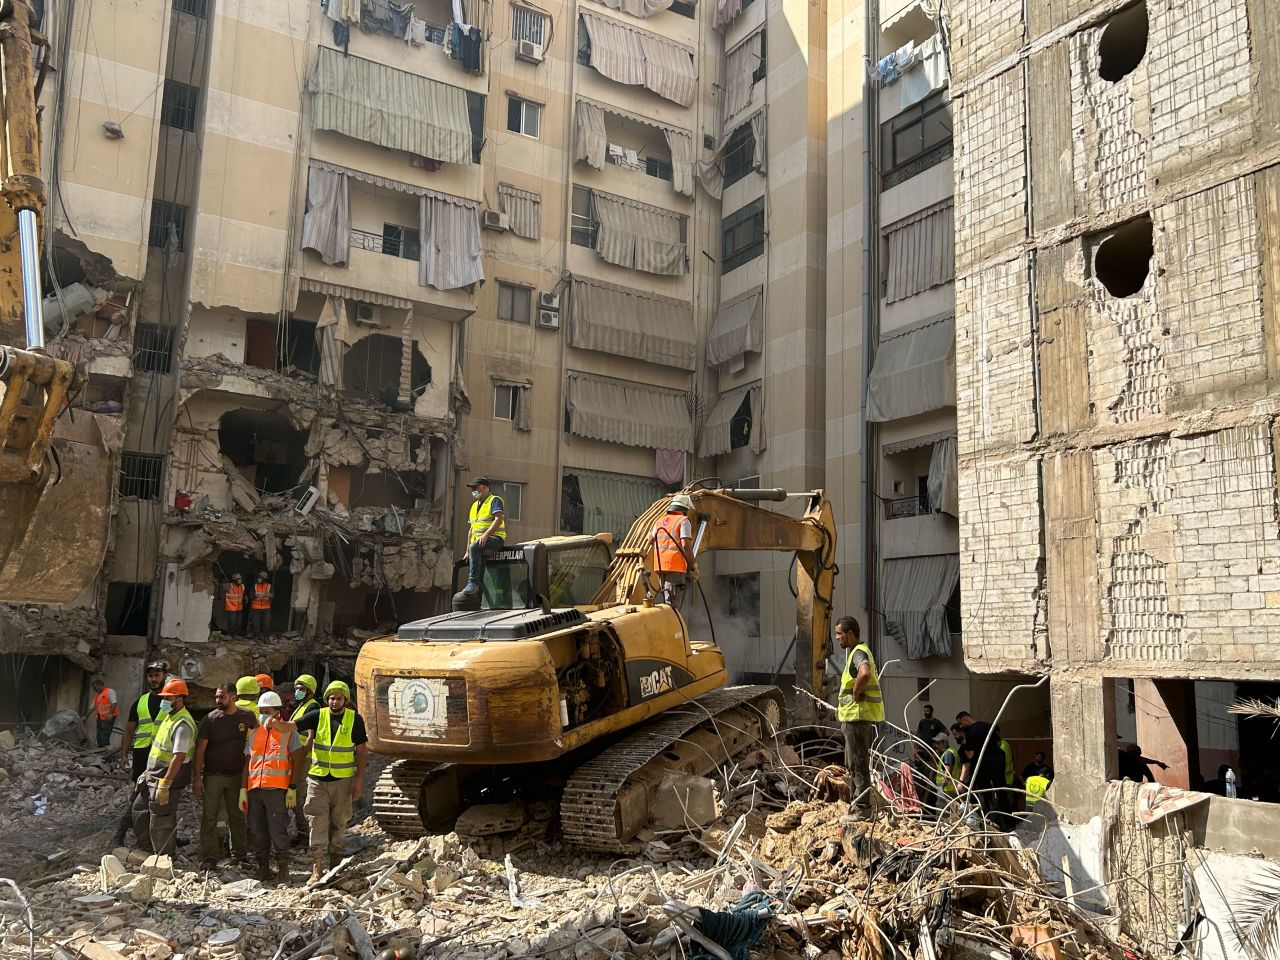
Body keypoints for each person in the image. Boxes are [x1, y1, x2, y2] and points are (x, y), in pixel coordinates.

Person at [296, 681, 368, 883]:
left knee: (339, 821)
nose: (334, 701)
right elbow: (294, 725)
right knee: (317, 820)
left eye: (338, 698)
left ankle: (335, 864)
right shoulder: (319, 715)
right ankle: (317, 868)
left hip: (343, 780)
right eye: (330, 698)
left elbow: (362, 750)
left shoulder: (354, 720)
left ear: (345, 699)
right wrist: (273, 722)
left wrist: (359, 780)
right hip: (318, 779)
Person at [240, 691, 302, 884]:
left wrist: (292, 787)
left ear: (277, 713)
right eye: (260, 711)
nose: (262, 715)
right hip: (255, 789)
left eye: (266, 711)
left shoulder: (288, 732)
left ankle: (283, 870)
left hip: (276, 790)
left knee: (278, 830)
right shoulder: (254, 733)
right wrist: (243, 789)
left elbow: (297, 761)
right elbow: (248, 762)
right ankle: (263, 869)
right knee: (257, 830)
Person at [193, 681, 256, 869]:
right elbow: (200, 751)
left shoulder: (247, 717)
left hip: (237, 776)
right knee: (210, 816)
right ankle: (209, 856)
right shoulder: (210, 719)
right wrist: (197, 778)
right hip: (213, 776)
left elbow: (258, 741)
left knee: (237, 815)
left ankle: (240, 855)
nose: (218, 700)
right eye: (216, 697)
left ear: (233, 697)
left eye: (221, 696)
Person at [131, 678, 197, 855]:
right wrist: (147, 773)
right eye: (164, 697)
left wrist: (166, 784)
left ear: (179, 699)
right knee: (139, 810)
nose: (164, 701)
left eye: (168, 698)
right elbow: (159, 749)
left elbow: (179, 756)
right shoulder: (170, 717)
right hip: (154, 775)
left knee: (161, 820)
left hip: (166, 778)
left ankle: (165, 858)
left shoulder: (183, 724)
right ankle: (148, 849)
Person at [111, 660, 167, 848]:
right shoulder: (140, 702)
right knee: (139, 797)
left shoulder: (170, 701)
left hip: (162, 756)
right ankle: (120, 833)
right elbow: (129, 731)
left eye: (157, 675)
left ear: (164, 676)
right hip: (143, 755)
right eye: (150, 676)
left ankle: (160, 837)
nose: (153, 679)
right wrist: (124, 754)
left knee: (161, 799)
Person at [834, 616, 881, 819]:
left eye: (839, 633)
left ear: (850, 633)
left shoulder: (858, 653)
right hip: (854, 717)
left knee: (858, 762)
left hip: (857, 716)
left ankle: (863, 809)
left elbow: (864, 673)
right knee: (853, 762)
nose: (837, 638)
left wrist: (855, 693)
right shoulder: (855, 652)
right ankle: (856, 804)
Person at [456, 477, 505, 601]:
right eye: (472, 489)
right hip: (480, 543)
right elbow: (471, 530)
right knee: (479, 565)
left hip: (495, 539)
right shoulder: (474, 506)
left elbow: (498, 519)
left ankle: (472, 582)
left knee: (475, 547)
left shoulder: (494, 500)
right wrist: (468, 550)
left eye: (476, 488)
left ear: (485, 487)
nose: (474, 491)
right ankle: (478, 598)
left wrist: (486, 535)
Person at [289, 674, 322, 844]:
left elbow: (310, 736)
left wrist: (301, 756)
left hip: (304, 757)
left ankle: (305, 834)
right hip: (298, 755)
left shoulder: (312, 707)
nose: (297, 691)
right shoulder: (302, 705)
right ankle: (303, 832)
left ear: (310, 691)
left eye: (301, 689)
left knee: (300, 795)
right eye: (296, 688)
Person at [958, 719, 1009, 826]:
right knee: (1001, 794)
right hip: (998, 766)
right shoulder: (997, 744)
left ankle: (987, 820)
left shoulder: (970, 738)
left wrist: (960, 781)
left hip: (982, 770)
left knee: (984, 796)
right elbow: (998, 743)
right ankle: (1006, 821)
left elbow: (967, 762)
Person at [651, 494, 695, 608]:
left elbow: (650, 539)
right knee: (673, 606)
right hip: (675, 567)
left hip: (660, 567)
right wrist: (693, 565)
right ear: (685, 509)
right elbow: (685, 545)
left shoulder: (659, 521)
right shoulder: (683, 520)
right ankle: (673, 625)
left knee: (665, 601)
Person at [86, 678, 118, 748]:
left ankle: (105, 750)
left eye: (94, 687)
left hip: (108, 717)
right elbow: (93, 707)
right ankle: (100, 749)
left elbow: (114, 703)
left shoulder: (110, 691)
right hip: (100, 717)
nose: (93, 689)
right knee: (99, 735)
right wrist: (86, 716)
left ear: (100, 685)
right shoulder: (97, 695)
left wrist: (110, 714)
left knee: (105, 734)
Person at [249, 572, 273, 637]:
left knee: (266, 624)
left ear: (264, 579)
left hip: (266, 608)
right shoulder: (255, 586)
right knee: (256, 624)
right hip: (256, 608)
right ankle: (256, 638)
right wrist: (256, 596)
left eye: (261, 577)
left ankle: (266, 638)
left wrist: (269, 595)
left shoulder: (269, 586)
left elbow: (273, 596)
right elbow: (251, 596)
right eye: (259, 577)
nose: (259, 579)